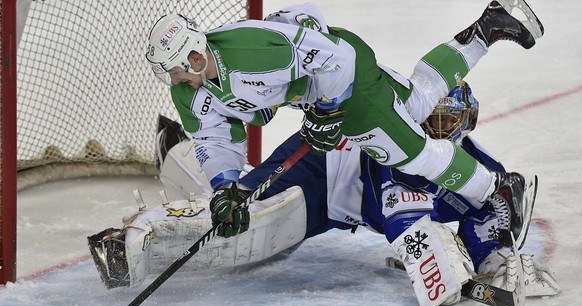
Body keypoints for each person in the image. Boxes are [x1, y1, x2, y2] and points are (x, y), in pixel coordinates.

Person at [89, 83, 560, 306]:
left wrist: (493, 256)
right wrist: (434, 260)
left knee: (255, 221)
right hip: (319, 171)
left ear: (467, 123)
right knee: (253, 223)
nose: (434, 132)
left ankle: (176, 151)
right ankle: (137, 231)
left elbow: (488, 219)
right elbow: (405, 224)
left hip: (344, 199)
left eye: (448, 123)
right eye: (428, 121)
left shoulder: (481, 168)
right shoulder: (397, 151)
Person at [144, 1, 544, 249]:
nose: (173, 78)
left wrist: (329, 110)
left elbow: (337, 58)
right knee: (420, 101)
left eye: (174, 68)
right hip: (324, 85)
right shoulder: (192, 90)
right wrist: (224, 186)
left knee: (413, 156)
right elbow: (214, 137)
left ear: (194, 57)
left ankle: (499, 188)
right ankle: (488, 28)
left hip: (349, 82)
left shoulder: (251, 49)